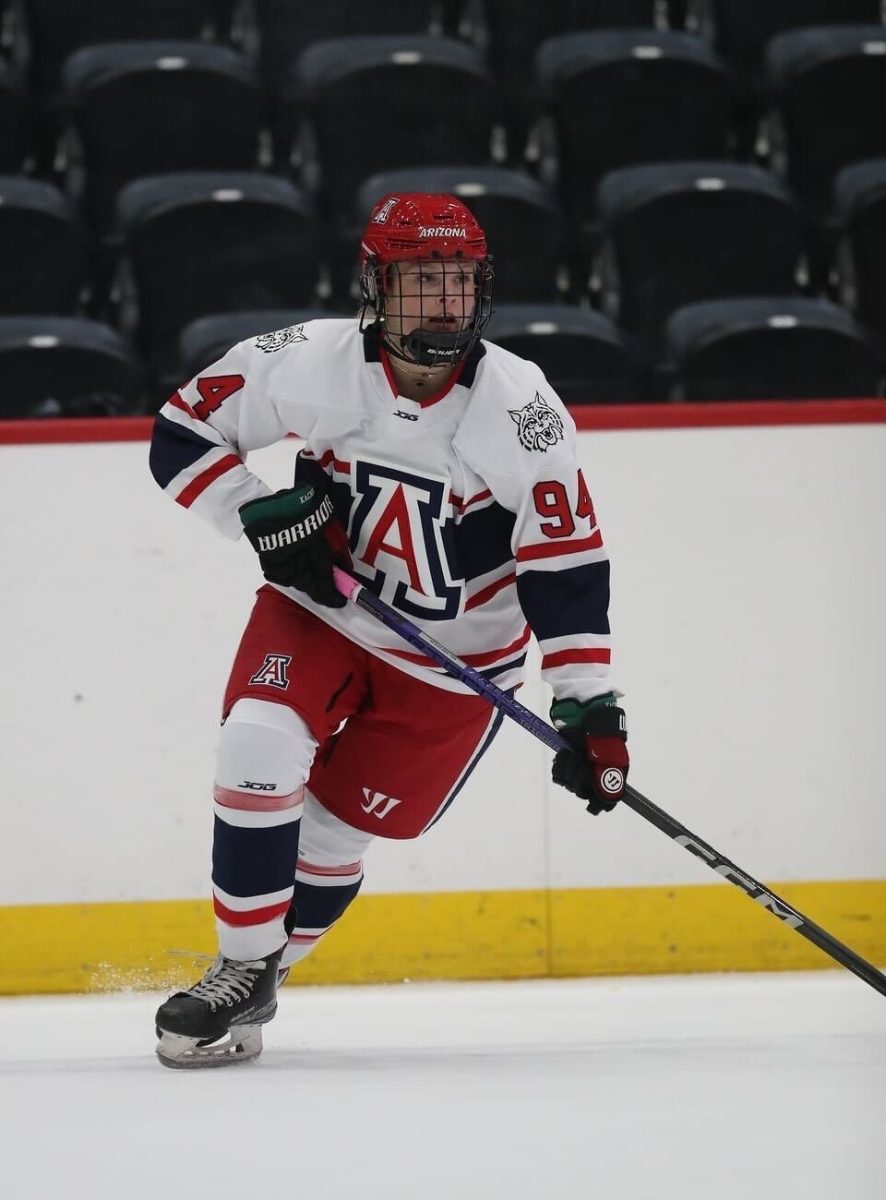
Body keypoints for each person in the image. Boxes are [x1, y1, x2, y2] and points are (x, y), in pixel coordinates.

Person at [148, 192, 629, 1068]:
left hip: (455, 666)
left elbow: (563, 563)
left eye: (462, 281)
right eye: (423, 282)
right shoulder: (307, 362)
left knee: (333, 837)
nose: (447, 302)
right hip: (323, 611)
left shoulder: (520, 407)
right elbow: (182, 429)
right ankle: (237, 967)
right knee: (255, 745)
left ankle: (257, 986)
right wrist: (263, 515)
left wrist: (590, 708)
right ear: (375, 286)